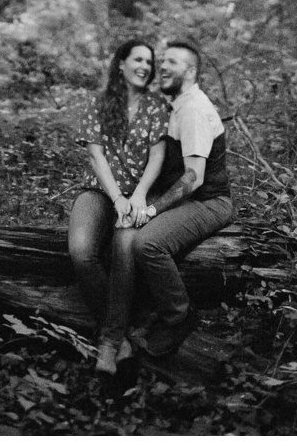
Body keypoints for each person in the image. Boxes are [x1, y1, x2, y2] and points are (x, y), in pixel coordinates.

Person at [107, 38, 234, 361]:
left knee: (148, 244)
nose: (161, 67)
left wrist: (152, 209)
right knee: (124, 231)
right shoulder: (177, 104)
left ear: (190, 71)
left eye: (171, 63)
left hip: (209, 202)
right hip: (185, 198)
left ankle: (179, 316)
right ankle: (126, 323)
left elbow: (194, 178)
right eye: (162, 62)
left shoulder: (193, 110)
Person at [68, 39, 171, 373]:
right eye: (138, 59)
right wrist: (117, 199)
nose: (145, 66)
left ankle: (110, 343)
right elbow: (95, 156)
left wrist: (138, 196)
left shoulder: (157, 106)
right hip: (101, 191)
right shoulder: (100, 103)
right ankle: (123, 332)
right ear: (122, 64)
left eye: (149, 62)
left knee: (124, 243)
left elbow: (158, 156)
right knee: (81, 252)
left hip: (142, 194)